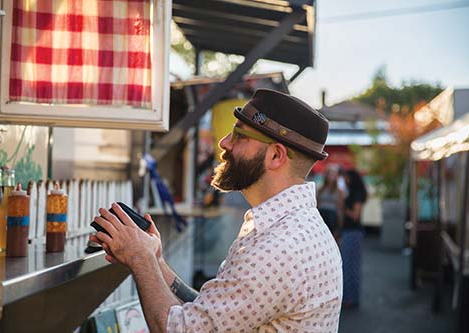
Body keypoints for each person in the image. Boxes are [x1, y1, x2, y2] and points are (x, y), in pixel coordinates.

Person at [91, 89, 343, 332]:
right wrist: (156, 261)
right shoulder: (294, 228)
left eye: (239, 135)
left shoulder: (277, 249)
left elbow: (179, 329)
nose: (224, 143)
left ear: (276, 156)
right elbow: (212, 316)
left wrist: (140, 259)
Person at [340, 169, 368, 308]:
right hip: (351, 232)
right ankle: (350, 297)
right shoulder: (354, 192)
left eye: (346, 176)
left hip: (353, 232)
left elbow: (355, 215)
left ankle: (351, 298)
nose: (344, 179)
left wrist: (344, 208)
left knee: (351, 266)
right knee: (350, 265)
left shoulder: (356, 194)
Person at [317, 165, 345, 239]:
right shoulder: (320, 189)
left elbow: (340, 207)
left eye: (333, 174)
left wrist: (340, 223)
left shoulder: (339, 191)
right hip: (322, 213)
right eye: (330, 174)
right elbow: (318, 204)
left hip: (332, 215)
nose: (331, 177)